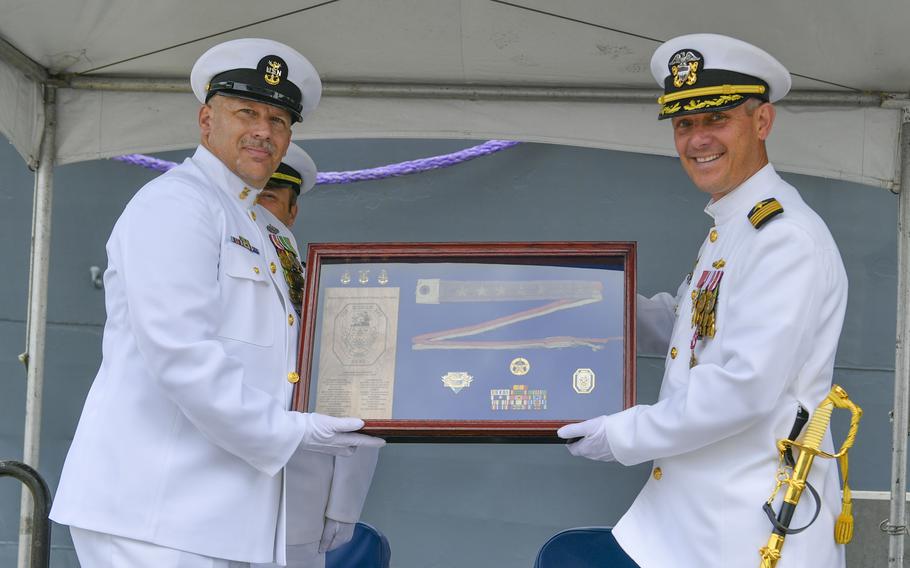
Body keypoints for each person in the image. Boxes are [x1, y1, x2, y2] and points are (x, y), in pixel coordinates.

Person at [50, 38, 384, 567]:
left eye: (279, 120)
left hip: (225, 513)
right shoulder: (175, 204)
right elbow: (180, 352)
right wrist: (291, 431)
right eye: (247, 111)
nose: (263, 131)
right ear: (207, 121)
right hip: (156, 511)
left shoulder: (267, 228)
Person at [557, 34, 848, 568]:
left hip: (743, 534)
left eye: (716, 119)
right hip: (689, 525)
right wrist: (595, 313)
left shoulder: (783, 236)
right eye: (684, 123)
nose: (697, 140)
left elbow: (743, 387)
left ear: (762, 123)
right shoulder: (737, 224)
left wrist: (620, 435)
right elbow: (698, 325)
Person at [252, 144, 380, 568]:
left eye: (268, 195)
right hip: (209, 499)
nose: (253, 204)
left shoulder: (329, 294)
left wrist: (345, 502)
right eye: (245, 192)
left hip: (299, 500)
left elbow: (361, 394)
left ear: (291, 213)